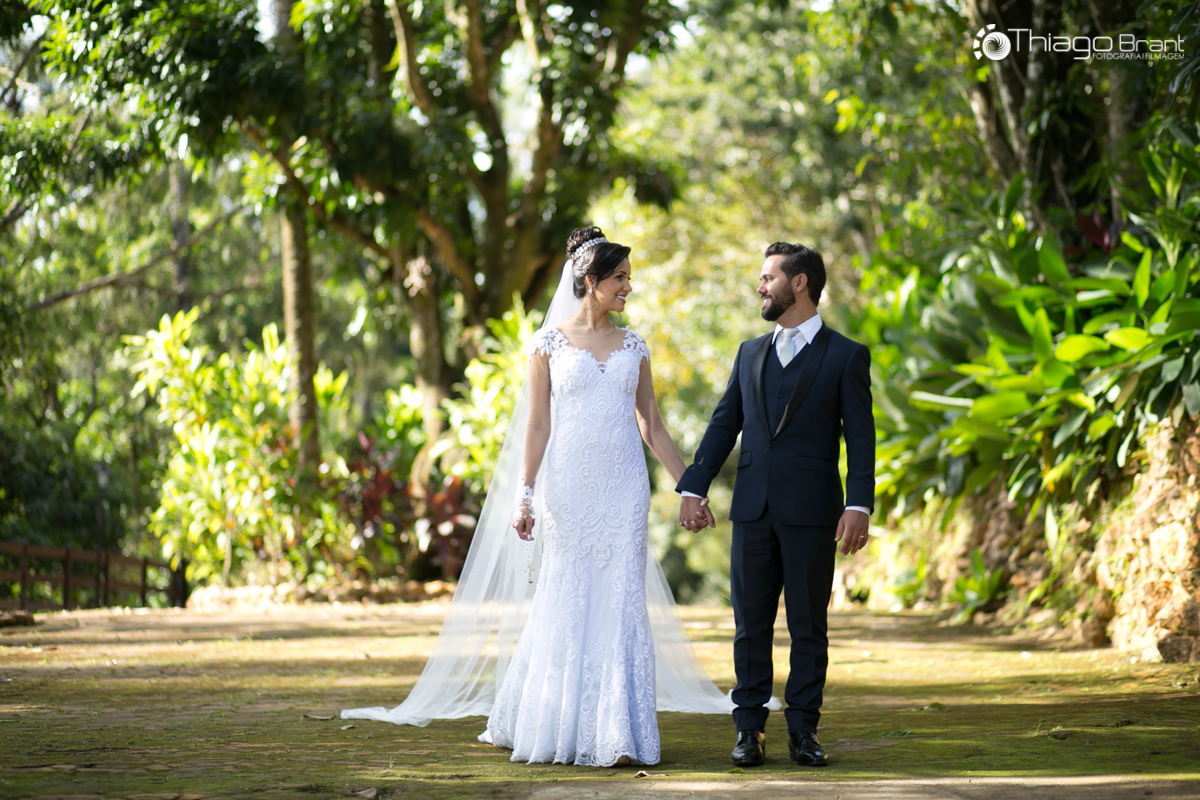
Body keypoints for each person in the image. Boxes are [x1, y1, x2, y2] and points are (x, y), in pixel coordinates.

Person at [342, 226, 734, 766]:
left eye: (629, 278)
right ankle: (556, 720)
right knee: (568, 596)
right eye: (620, 278)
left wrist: (689, 486)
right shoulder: (547, 344)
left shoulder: (634, 345)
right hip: (567, 488)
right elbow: (537, 426)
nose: (628, 287)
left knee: (620, 599)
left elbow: (652, 425)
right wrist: (524, 494)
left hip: (623, 489)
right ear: (590, 282)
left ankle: (617, 732)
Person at [676, 242, 875, 769]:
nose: (760, 286)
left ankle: (804, 731)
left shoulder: (845, 354)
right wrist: (694, 487)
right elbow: (724, 425)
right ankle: (749, 731)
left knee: (809, 625)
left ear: (800, 283)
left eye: (768, 278)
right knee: (750, 626)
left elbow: (861, 436)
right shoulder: (749, 353)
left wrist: (860, 504)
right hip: (753, 510)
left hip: (814, 512)